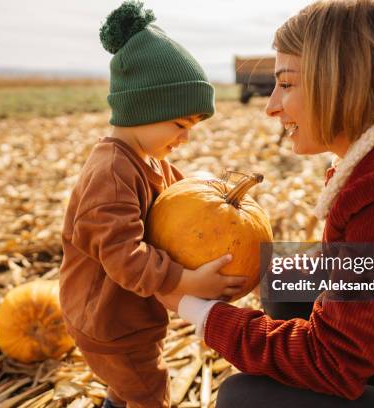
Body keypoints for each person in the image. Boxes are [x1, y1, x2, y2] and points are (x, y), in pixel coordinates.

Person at [157, 0, 374, 406]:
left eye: (286, 84)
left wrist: (190, 305)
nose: (271, 106)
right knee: (284, 277)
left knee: (246, 398)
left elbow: (331, 359)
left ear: (343, 82)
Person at [58, 2, 244, 407]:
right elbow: (125, 257)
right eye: (180, 125)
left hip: (127, 317)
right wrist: (186, 282)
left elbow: (184, 202)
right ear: (144, 108)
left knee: (127, 391)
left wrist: (222, 198)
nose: (185, 139)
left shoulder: (150, 160)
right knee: (148, 395)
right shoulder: (111, 173)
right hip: (108, 323)